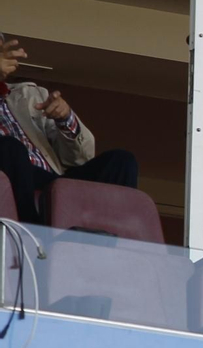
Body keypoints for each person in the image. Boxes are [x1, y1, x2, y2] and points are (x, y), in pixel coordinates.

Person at [0, 35, 138, 224]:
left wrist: (65, 119)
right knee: (10, 148)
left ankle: (108, 237)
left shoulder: (30, 94)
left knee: (121, 161)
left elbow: (79, 158)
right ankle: (29, 233)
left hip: (50, 178)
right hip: (9, 174)